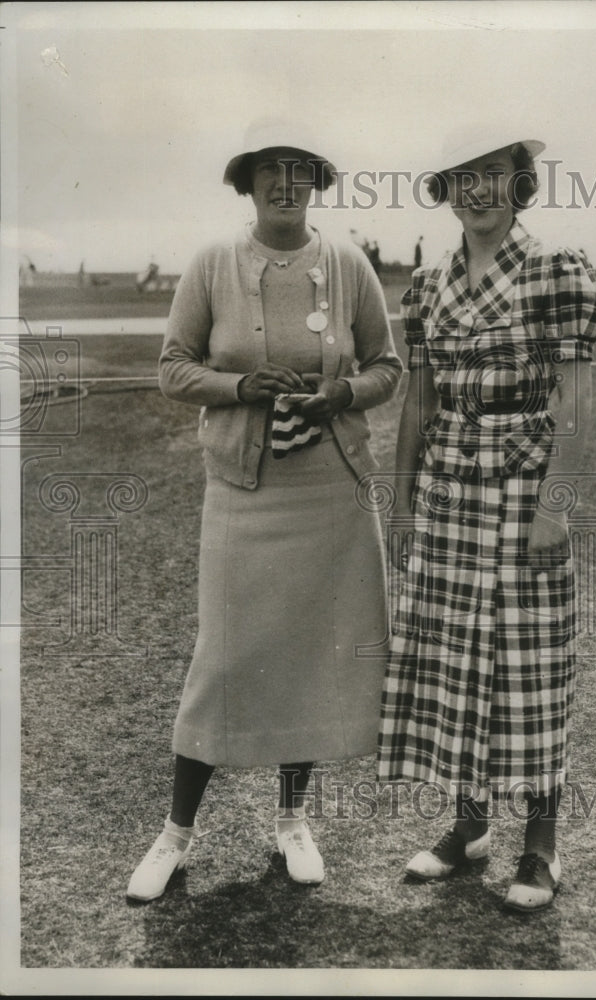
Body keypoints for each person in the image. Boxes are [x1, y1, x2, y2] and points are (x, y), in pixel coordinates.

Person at [126, 119, 402, 901]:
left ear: (316, 182)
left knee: (313, 657)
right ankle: (176, 834)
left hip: (331, 494)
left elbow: (388, 366)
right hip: (244, 494)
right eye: (270, 171)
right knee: (223, 659)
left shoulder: (348, 263)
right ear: (245, 183)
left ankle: (292, 824)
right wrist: (238, 388)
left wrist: (339, 395)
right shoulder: (213, 263)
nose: (286, 184)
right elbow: (172, 368)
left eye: (301, 170)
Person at [377, 124, 596, 911]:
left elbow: (575, 403)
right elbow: (419, 400)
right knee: (455, 659)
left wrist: (554, 507)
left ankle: (540, 847)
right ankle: (468, 828)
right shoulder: (430, 282)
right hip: (447, 488)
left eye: (493, 174)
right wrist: (402, 504)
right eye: (461, 177)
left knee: (530, 662)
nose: (477, 190)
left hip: (523, 485)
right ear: (446, 190)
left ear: (519, 183)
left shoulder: (553, 270)